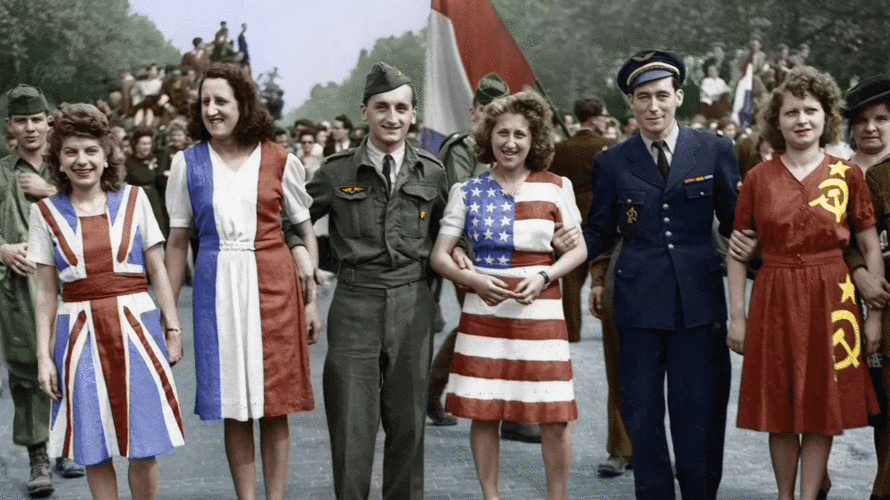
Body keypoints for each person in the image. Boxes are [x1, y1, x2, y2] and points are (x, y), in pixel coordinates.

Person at [583, 50, 739, 499]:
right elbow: (599, 230)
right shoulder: (612, 162)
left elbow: (735, 225)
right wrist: (554, 256)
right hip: (637, 306)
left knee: (699, 418)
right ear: (630, 103)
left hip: (699, 304)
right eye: (643, 97)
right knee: (643, 417)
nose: (654, 106)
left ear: (679, 97)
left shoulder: (714, 149)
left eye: (662, 96)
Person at [164, 62, 319, 500]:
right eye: (205, 102)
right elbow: (178, 243)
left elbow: (304, 231)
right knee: (234, 406)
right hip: (217, 287)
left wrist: (310, 302)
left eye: (222, 101)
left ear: (243, 104)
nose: (212, 110)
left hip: (274, 285)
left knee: (275, 405)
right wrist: (170, 314)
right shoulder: (187, 164)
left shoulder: (279, 159)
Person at [727, 66, 882, 500]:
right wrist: (737, 316)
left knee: (820, 405)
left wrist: (875, 318)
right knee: (779, 404)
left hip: (832, 297)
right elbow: (739, 253)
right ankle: (785, 495)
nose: (802, 120)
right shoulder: (758, 179)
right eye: (791, 112)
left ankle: (809, 495)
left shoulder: (847, 175)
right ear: (776, 122)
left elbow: (869, 247)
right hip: (775, 294)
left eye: (811, 110)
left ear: (826, 116)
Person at [431, 89, 586, 500]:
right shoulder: (467, 191)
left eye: (520, 134)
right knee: (486, 412)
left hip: (542, 317)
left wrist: (547, 275)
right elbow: (440, 257)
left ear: (534, 140)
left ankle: (558, 496)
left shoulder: (556, 187)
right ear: (489, 136)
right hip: (485, 314)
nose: (510, 142)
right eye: (502, 133)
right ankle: (491, 496)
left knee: (554, 415)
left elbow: (579, 250)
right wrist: (477, 282)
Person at [305, 62, 446, 500]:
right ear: (364, 111)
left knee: (408, 424)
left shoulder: (432, 172)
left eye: (401, 108)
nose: (392, 117)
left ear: (413, 114)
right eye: (381, 106)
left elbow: (451, 237)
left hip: (411, 300)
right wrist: (304, 262)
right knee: (351, 423)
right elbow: (294, 221)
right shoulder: (337, 172)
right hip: (355, 300)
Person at [30, 103, 185, 500]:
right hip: (78, 334)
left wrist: (172, 327)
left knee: (144, 445)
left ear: (106, 154)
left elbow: (158, 270)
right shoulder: (44, 214)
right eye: (70, 152)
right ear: (58, 161)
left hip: (137, 328)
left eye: (90, 151)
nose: (82, 161)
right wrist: (44, 356)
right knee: (94, 448)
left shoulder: (135, 200)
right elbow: (46, 291)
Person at [0, 84, 85, 497]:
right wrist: (0, 249)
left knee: (72, 357)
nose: (30, 128)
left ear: (49, 121)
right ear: (10, 127)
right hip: (21, 284)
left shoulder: (70, 163)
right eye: (21, 121)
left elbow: (98, 205)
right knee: (27, 367)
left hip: (74, 277)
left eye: (36, 119)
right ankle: (38, 455)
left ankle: (67, 442)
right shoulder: (2, 172)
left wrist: (50, 192)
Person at [838, 74, 890, 500]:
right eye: (862, 120)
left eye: (882, 118)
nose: (871, 127)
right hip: (840, 298)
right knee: (873, 408)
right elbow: (831, 237)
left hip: (889, 301)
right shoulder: (837, 170)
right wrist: (859, 272)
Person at [125, 127, 168, 237]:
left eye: (148, 144)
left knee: (158, 229)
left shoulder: (156, 159)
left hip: (154, 198)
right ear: (136, 145)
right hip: (136, 198)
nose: (146, 147)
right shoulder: (128, 162)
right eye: (143, 144)